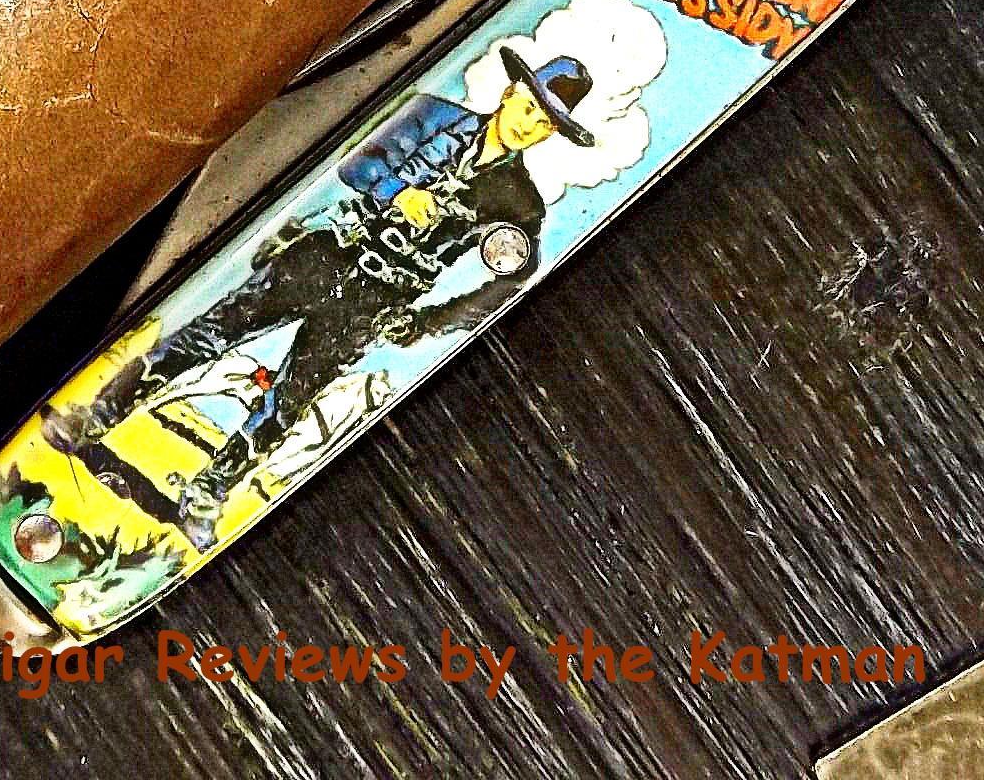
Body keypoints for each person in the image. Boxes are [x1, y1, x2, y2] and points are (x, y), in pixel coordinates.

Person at [43, 45, 596, 550]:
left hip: (376, 302)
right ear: (510, 93)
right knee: (207, 335)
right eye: (530, 106)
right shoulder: (430, 115)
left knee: (287, 403)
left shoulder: (521, 204)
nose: (529, 124)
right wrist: (398, 194)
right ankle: (98, 415)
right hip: (323, 254)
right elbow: (358, 163)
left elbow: (510, 280)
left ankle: (207, 496)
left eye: (545, 123)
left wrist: (427, 323)